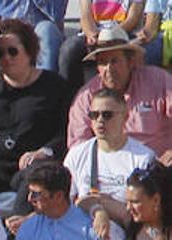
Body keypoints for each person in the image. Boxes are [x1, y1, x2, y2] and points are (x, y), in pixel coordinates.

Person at [0, 19, 69, 206]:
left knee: (38, 177)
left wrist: (44, 151)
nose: (6, 58)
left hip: (29, 168)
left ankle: (18, 227)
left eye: (13, 51)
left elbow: (64, 133)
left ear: (29, 51)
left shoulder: (54, 86)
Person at [66, 25, 172, 162]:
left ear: (130, 62)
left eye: (114, 61)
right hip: (108, 170)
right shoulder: (86, 96)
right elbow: (78, 144)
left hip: (158, 167)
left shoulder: (158, 81)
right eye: (103, 62)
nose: (108, 69)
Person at [63, 87, 156, 240]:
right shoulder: (76, 154)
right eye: (94, 115)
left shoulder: (143, 158)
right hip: (84, 233)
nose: (100, 120)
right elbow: (65, 203)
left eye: (107, 115)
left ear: (125, 117)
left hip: (129, 233)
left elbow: (147, 213)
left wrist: (102, 206)